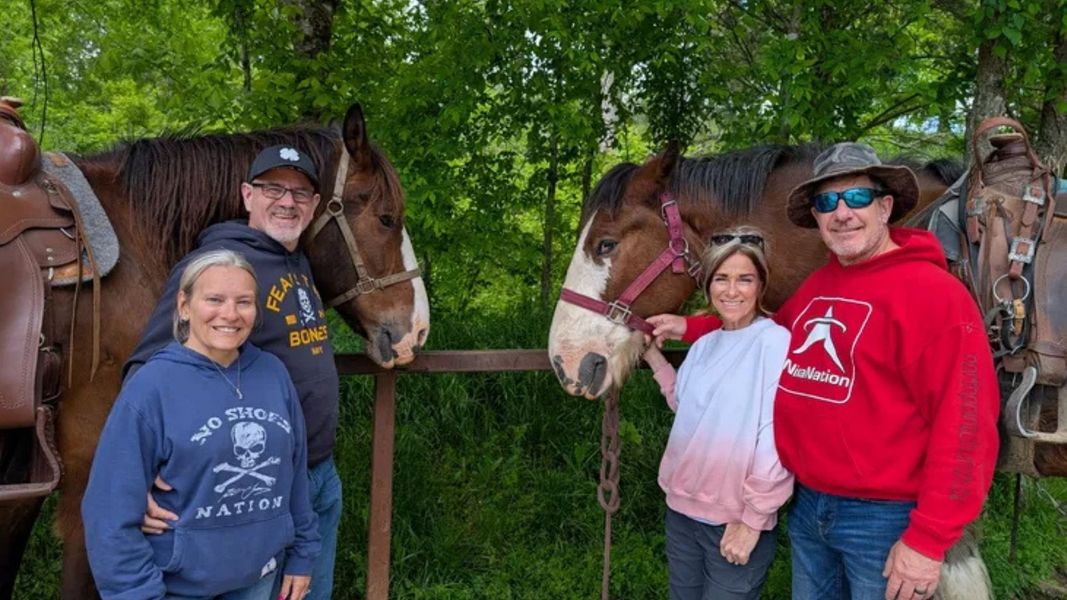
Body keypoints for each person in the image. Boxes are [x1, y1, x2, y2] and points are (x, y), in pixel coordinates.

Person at [648, 143, 999, 600]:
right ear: (815, 216)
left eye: (856, 198)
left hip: (882, 519)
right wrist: (692, 326)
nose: (842, 213)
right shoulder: (821, 285)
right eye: (826, 202)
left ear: (885, 206)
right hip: (811, 508)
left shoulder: (936, 296)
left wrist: (928, 541)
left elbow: (966, 427)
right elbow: (765, 329)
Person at [124, 145, 343, 600]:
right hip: (256, 483)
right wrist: (137, 475)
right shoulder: (220, 265)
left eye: (301, 192)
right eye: (273, 189)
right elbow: (149, 365)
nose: (287, 201)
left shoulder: (297, 261)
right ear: (247, 196)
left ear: (316, 205)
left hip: (319, 475)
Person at [83, 249, 319, 600]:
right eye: (214, 299)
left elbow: (295, 472)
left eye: (244, 302)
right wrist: (135, 593)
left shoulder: (273, 374)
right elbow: (109, 508)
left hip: (259, 578)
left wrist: (303, 554)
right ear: (184, 305)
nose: (230, 314)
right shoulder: (153, 386)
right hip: (176, 587)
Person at [642, 226, 792, 600]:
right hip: (681, 510)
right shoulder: (705, 345)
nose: (732, 290)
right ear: (708, 286)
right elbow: (687, 406)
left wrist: (752, 520)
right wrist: (651, 357)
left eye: (745, 279)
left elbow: (776, 437)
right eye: (721, 279)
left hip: (733, 518)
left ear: (761, 285)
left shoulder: (774, 342)